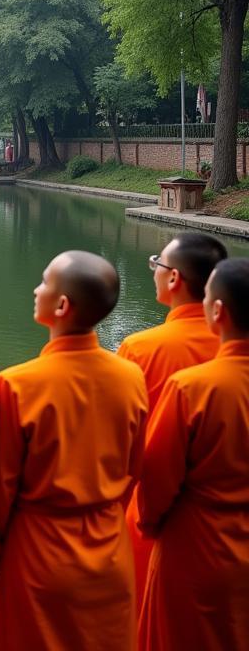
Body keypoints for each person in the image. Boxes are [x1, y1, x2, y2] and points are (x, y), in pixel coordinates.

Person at [0, 251, 148, 651]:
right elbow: (134, 468)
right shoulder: (130, 377)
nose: (35, 288)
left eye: (44, 282)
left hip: (38, 551)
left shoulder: (17, 384)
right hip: (109, 546)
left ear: (61, 306)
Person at [137, 257, 249, 651]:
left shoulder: (193, 388)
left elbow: (157, 478)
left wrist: (150, 525)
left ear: (217, 312)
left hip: (196, 543)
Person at [118, 232, 226, 607]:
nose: (154, 272)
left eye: (156, 265)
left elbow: (123, 441)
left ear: (174, 279)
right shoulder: (231, 347)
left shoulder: (141, 349)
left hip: (157, 515)